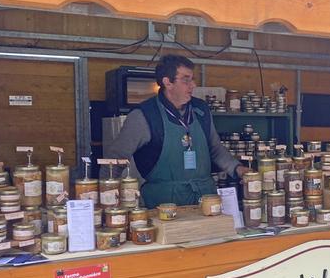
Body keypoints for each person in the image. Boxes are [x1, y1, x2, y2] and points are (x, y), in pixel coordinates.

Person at [106, 54, 247, 207]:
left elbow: (215, 149)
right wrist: (106, 199)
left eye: (192, 79)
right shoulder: (144, 116)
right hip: (163, 204)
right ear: (168, 82)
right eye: (186, 80)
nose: (193, 85)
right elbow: (114, 160)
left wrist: (238, 169)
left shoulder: (201, 110)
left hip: (205, 200)